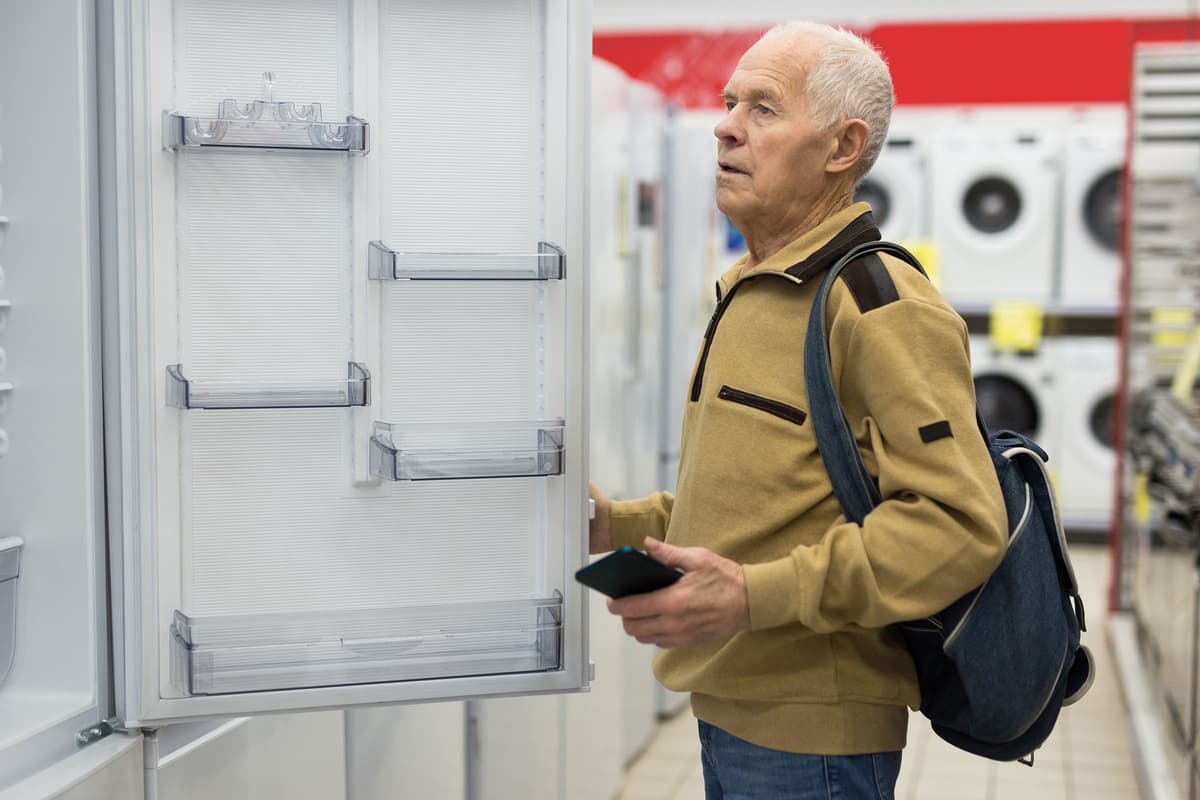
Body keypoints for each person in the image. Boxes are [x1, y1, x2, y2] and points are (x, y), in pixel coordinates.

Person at [588, 21, 1008, 800]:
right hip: (733, 703)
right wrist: (614, 526)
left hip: (813, 735)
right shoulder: (756, 287)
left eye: (763, 108)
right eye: (728, 101)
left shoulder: (877, 304)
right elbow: (763, 502)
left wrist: (753, 596)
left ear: (842, 147)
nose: (724, 124)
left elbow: (958, 523)